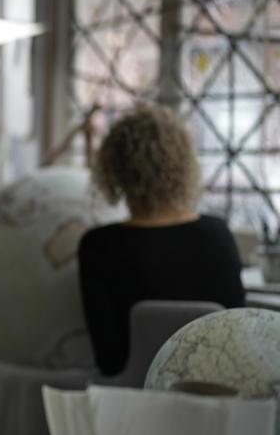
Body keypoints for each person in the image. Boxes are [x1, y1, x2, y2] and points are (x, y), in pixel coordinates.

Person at [78, 103, 245, 376]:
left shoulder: (97, 247)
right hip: (214, 403)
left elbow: (108, 361)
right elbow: (237, 344)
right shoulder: (218, 236)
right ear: (182, 165)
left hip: (129, 408)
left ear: (114, 169)